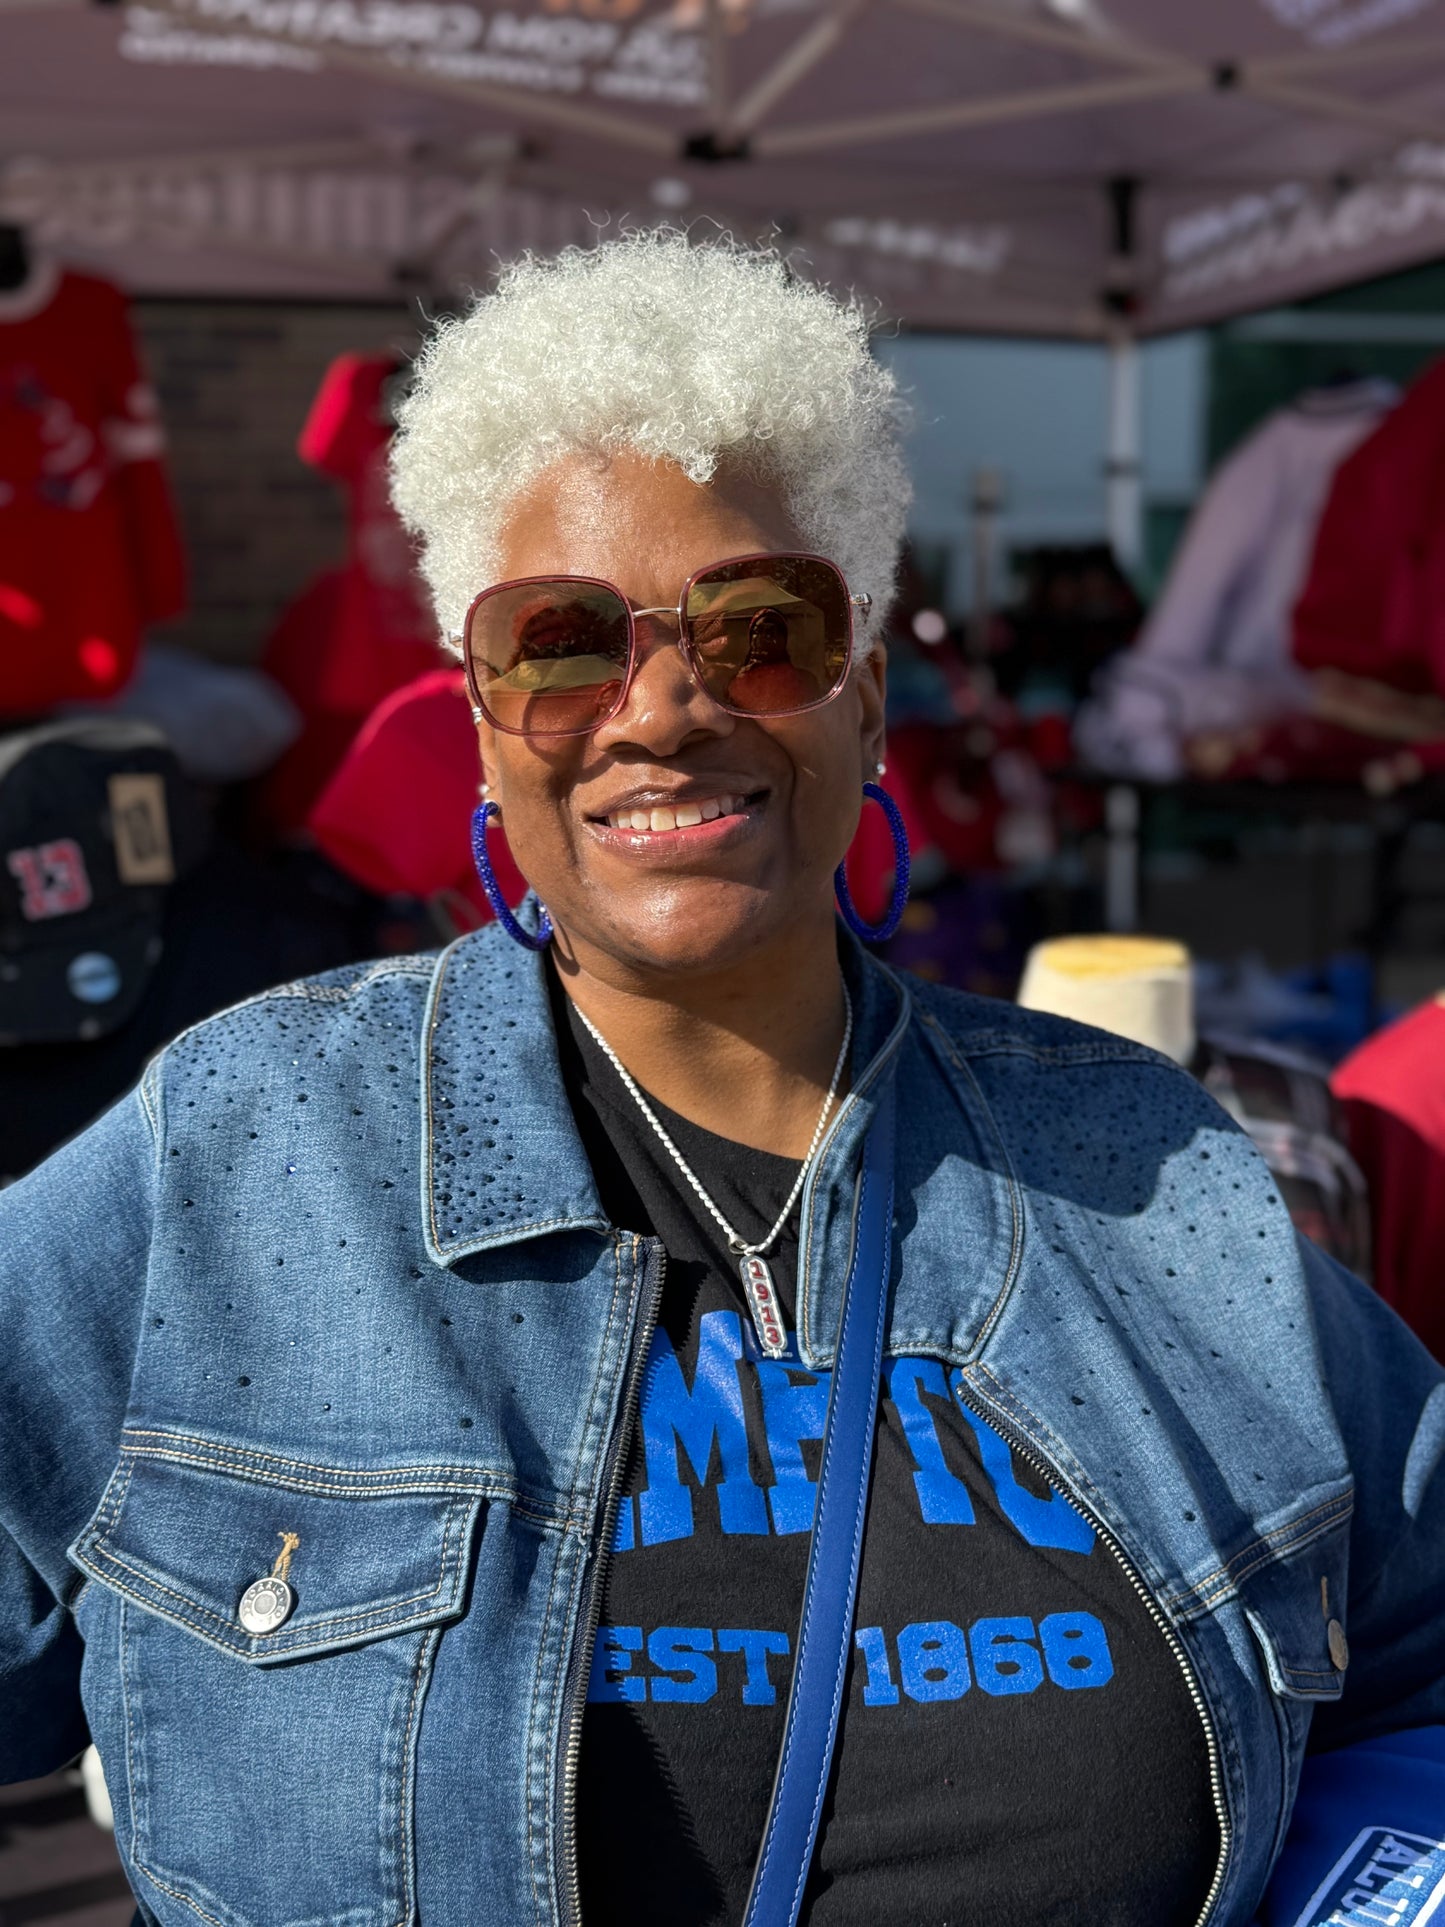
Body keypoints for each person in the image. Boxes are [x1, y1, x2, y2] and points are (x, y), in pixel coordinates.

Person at [1, 231, 1443, 1927]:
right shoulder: (244, 1154)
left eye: (761, 629)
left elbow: (1418, 1663)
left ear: (869, 702)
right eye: (561, 643)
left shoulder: (1147, 1170)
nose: (664, 709)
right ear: (478, 718)